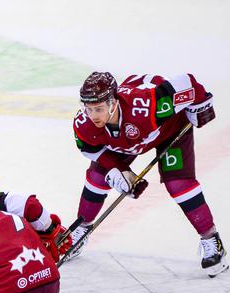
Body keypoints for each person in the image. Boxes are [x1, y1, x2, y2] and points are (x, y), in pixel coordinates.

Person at [67, 71, 227, 277]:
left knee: (179, 185)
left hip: (169, 129)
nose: (93, 115)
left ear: (113, 103)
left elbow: (188, 83)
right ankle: (80, 231)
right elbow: (88, 148)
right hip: (126, 140)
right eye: (88, 109)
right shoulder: (84, 123)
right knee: (98, 178)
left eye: (98, 109)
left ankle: (211, 239)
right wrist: (118, 168)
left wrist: (201, 104)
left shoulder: (147, 107)